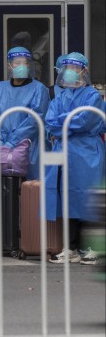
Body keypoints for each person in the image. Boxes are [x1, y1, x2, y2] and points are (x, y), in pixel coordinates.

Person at [44, 53, 105, 265]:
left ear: (84, 71)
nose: (69, 70)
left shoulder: (92, 96)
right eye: (66, 66)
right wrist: (67, 124)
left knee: (88, 199)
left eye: (73, 66)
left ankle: (90, 248)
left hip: (87, 153)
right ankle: (70, 248)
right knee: (68, 199)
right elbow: (50, 121)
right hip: (66, 153)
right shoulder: (61, 96)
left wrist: (63, 126)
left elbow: (85, 121)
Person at [0, 47, 50, 178]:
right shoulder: (1, 88)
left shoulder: (39, 89)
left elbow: (35, 119)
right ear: (9, 66)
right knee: (5, 191)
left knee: (30, 191)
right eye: (17, 62)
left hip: (31, 148)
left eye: (25, 63)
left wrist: (13, 142)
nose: (21, 66)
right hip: (2, 149)